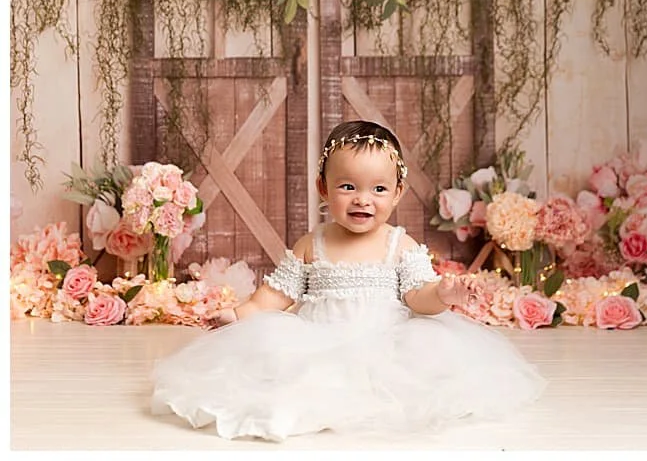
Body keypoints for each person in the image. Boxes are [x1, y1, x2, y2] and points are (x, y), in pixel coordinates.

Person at [152, 119, 545, 440]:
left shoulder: (399, 244)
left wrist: (443, 292)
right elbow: (275, 295)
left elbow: (417, 297)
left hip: (386, 342)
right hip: (319, 341)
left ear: (397, 193)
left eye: (378, 189)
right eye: (347, 187)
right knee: (276, 362)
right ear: (324, 188)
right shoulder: (313, 243)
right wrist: (239, 316)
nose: (363, 199)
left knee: (427, 362)